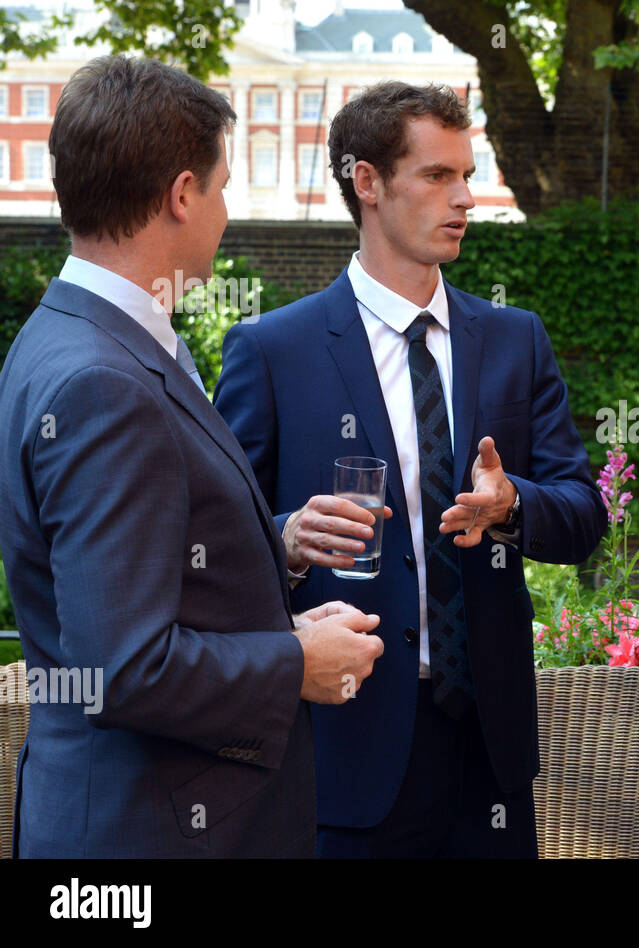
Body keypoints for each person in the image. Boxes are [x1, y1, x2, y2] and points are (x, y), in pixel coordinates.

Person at [0, 55, 383, 858]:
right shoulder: (103, 378)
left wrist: (269, 559)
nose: (226, 209)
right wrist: (294, 663)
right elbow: (123, 667)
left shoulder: (74, 335)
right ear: (180, 195)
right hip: (153, 833)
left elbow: (129, 578)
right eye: (220, 186)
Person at [214, 81, 605, 858]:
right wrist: (289, 538)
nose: (466, 197)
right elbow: (217, 549)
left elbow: (584, 514)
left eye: (467, 174)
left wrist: (513, 503)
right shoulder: (273, 351)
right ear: (367, 182)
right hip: (345, 748)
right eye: (437, 176)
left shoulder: (515, 340)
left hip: (489, 753)